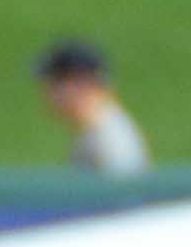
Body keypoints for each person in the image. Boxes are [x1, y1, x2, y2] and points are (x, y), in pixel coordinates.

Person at [36, 40, 148, 176]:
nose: (47, 92)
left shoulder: (108, 140)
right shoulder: (98, 129)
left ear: (78, 84)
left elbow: (121, 195)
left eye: (54, 82)